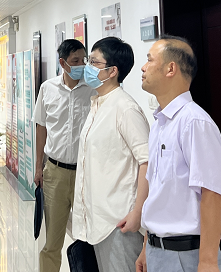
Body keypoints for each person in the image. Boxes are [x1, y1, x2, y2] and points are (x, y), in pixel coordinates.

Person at [135, 35, 221, 272]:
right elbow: (156, 191)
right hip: (157, 251)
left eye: (149, 60)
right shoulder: (159, 123)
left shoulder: (194, 122)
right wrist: (147, 246)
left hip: (187, 255)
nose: (143, 67)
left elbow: (211, 194)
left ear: (170, 68)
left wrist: (207, 262)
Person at [72, 37, 150, 272]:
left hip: (119, 222)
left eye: (94, 62)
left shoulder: (125, 109)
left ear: (112, 71)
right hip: (96, 220)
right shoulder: (98, 104)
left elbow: (148, 162)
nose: (87, 67)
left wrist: (138, 212)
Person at [33, 39, 96, 272]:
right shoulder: (48, 88)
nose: (81, 65)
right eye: (75, 61)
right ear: (62, 63)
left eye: (83, 60)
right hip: (55, 172)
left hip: (86, 173)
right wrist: (38, 167)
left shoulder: (94, 89)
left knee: (89, 237)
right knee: (52, 241)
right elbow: (41, 127)